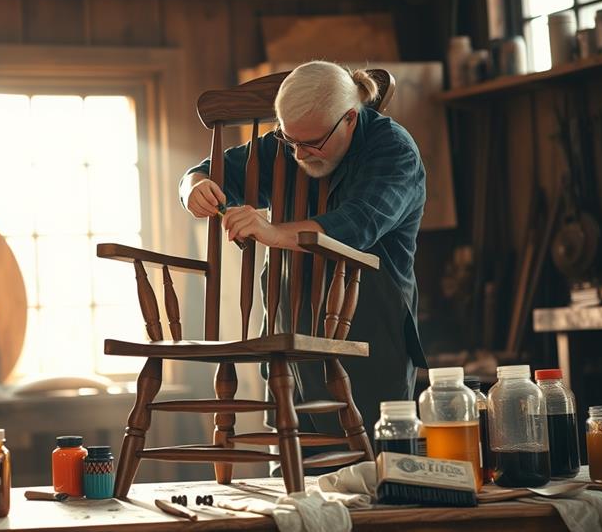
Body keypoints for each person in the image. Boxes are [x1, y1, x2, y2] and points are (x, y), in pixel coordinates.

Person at [178, 61, 427, 446]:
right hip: (289, 320)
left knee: (374, 472)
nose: (299, 154)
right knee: (296, 467)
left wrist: (272, 232)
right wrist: (193, 187)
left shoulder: (393, 151)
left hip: (366, 331)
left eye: (311, 143)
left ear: (348, 118)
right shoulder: (290, 143)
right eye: (289, 140)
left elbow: (355, 226)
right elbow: (205, 171)